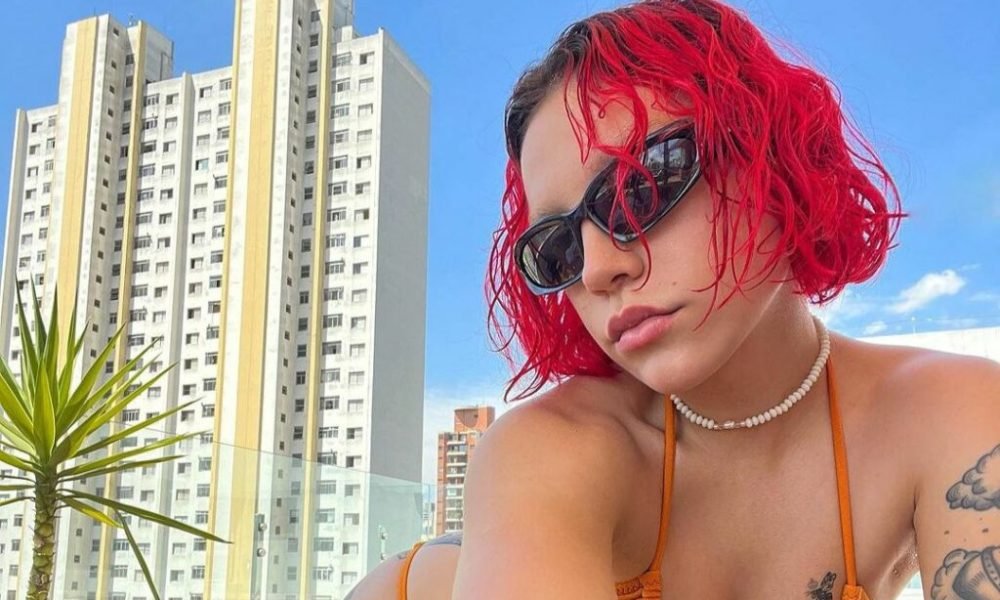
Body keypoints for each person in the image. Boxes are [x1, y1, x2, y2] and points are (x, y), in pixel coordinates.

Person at [347, 1, 1000, 598]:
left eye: (641, 186)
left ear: (770, 150)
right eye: (557, 249)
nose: (597, 270)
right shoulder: (551, 449)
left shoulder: (949, 409)